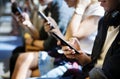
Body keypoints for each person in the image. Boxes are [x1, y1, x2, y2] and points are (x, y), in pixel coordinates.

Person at [11, 0, 104, 79]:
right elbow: (65, 40)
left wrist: (79, 8)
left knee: (27, 67)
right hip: (68, 56)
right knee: (22, 58)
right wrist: (55, 31)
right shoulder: (72, 9)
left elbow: (71, 37)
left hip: (78, 62)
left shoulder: (95, 10)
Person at [46, 0, 120, 78]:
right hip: (84, 71)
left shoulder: (96, 11)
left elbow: (105, 74)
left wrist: (80, 8)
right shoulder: (104, 21)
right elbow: (95, 64)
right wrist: (79, 55)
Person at [11, 0, 74, 79]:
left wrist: (33, 42)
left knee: (21, 58)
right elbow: (41, 36)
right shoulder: (49, 8)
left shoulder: (61, 9)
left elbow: (49, 45)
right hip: (55, 53)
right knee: (19, 57)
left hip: (62, 57)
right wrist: (28, 24)